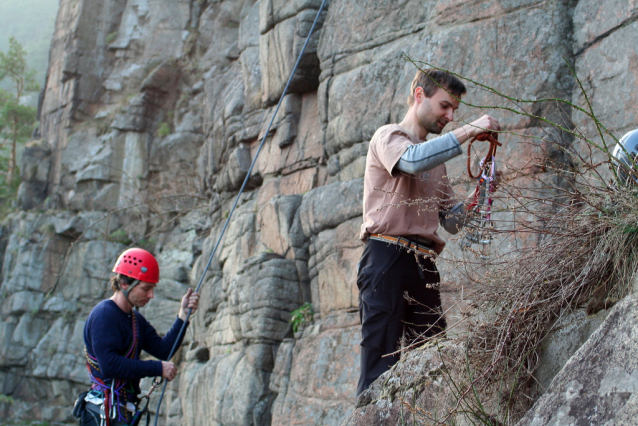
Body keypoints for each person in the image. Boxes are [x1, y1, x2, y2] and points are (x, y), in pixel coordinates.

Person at [356, 69, 502, 396]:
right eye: (445, 106)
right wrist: (470, 129)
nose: (450, 117)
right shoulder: (388, 137)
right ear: (419, 95)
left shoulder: (436, 161)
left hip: (423, 266)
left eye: (455, 112)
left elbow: (451, 221)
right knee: (380, 369)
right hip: (386, 259)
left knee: (434, 370)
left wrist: (481, 190)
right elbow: (410, 162)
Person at [75, 247, 200, 426]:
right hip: (104, 411)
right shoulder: (104, 315)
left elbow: (164, 351)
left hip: (121, 409)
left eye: (152, 289)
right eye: (146, 289)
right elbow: (109, 365)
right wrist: (156, 368)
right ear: (125, 283)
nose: (151, 295)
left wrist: (183, 315)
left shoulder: (135, 320)